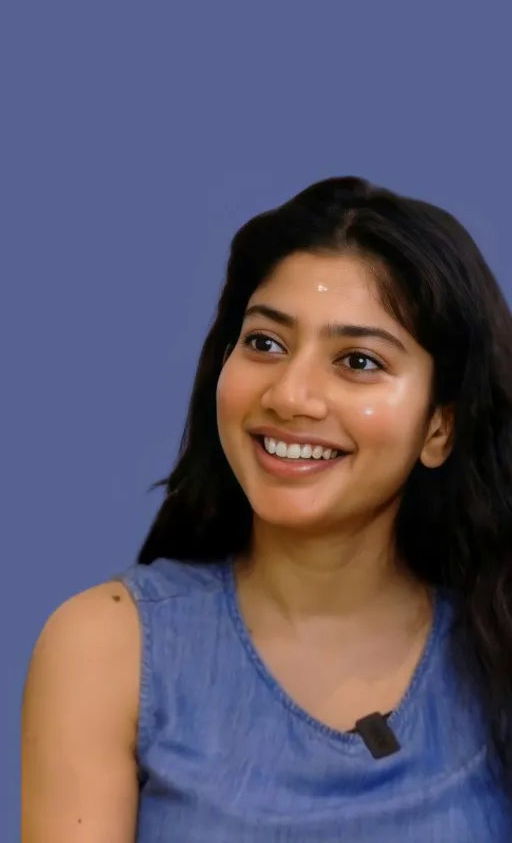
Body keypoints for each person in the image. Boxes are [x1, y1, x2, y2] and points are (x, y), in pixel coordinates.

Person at [21, 177, 512, 841]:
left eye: (358, 361)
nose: (291, 394)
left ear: (439, 428)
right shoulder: (109, 649)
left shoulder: (495, 648)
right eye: (266, 344)